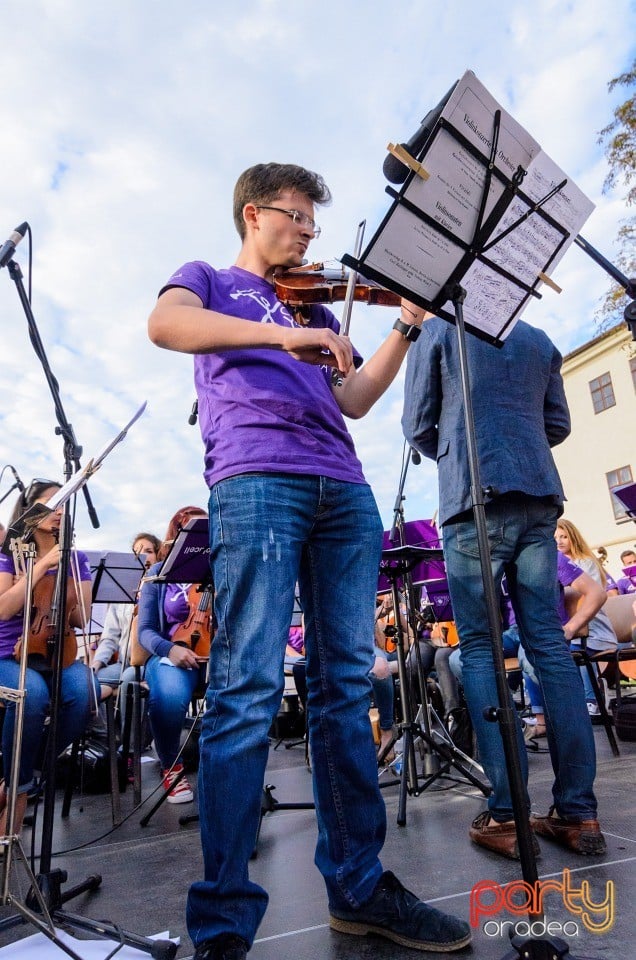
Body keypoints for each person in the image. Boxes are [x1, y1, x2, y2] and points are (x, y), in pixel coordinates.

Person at [148, 162, 471, 959]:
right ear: (255, 214)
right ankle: (223, 923)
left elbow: (355, 400)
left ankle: (358, 888)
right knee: (247, 690)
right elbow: (165, 325)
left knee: (344, 690)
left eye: (313, 224)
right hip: (257, 480)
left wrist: (404, 326)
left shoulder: (312, 309)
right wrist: (283, 333)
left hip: (342, 488)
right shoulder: (213, 280)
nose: (308, 234)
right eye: (296, 218)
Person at [402, 314, 607, 861]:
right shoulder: (540, 338)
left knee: (480, 650)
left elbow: (418, 425)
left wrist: (460, 439)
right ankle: (578, 812)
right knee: (549, 646)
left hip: (473, 495)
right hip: (538, 495)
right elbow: (556, 425)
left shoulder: (439, 330)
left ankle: (505, 813)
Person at [0, 479, 97, 833]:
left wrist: (71, 588)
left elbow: (81, 619)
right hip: (6, 654)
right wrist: (40, 568)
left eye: (63, 505)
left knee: (84, 693)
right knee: (32, 695)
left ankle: (28, 771)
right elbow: (3, 609)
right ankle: (19, 791)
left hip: (58, 649)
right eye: (51, 503)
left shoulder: (76, 559)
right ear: (30, 509)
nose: (59, 512)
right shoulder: (7, 554)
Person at [137, 507, 209, 804]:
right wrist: (171, 649)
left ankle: (226, 768)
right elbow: (146, 631)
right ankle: (172, 767)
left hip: (216, 656)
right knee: (167, 695)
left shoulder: (221, 567)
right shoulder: (157, 573)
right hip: (173, 654)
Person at [92, 532, 161, 733]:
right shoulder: (123, 592)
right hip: (122, 663)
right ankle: (106, 736)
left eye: (148, 551)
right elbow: (110, 636)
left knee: (129, 680)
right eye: (137, 552)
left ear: (157, 557)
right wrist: (97, 663)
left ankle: (129, 749)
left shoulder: (161, 589)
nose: (143, 556)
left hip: (148, 663)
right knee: (88, 684)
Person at [554, 519, 619, 715]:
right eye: (555, 538)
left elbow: (584, 597)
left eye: (564, 536)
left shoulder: (584, 563)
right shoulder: (553, 564)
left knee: (575, 650)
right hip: (569, 628)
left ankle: (592, 700)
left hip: (592, 629)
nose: (559, 541)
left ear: (573, 538)